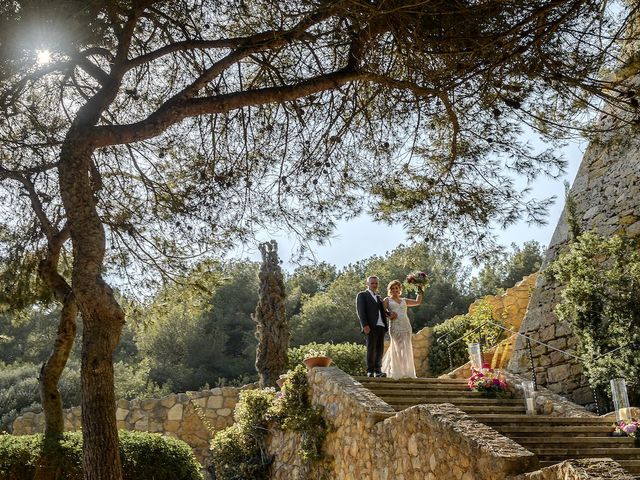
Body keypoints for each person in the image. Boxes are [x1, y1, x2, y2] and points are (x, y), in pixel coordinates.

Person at [381, 280, 423, 379]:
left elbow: (418, 302)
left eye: (397, 288)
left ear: (400, 289)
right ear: (390, 290)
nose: (395, 290)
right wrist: (390, 315)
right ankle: (396, 372)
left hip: (406, 326)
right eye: (393, 288)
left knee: (406, 348)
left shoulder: (404, 300)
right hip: (395, 326)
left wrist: (420, 289)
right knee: (397, 348)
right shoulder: (387, 300)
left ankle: (407, 373)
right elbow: (382, 312)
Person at [356, 276, 396, 377]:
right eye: (372, 283)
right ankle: (370, 370)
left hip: (381, 325)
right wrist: (364, 325)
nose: (374, 285)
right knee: (371, 348)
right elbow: (361, 311)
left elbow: (382, 311)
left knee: (379, 349)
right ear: (367, 284)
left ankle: (378, 370)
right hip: (370, 326)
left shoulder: (379, 297)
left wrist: (389, 314)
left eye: (376, 283)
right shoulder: (362, 295)